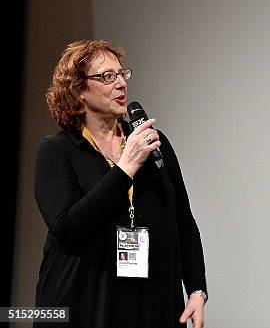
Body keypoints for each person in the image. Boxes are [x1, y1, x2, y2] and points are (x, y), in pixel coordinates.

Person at [34, 40, 208, 328]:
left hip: (150, 303)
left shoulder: (153, 144)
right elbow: (68, 228)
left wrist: (197, 290)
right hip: (84, 304)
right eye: (106, 77)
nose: (120, 84)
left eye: (121, 74)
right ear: (78, 90)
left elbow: (184, 223)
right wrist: (125, 168)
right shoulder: (57, 150)